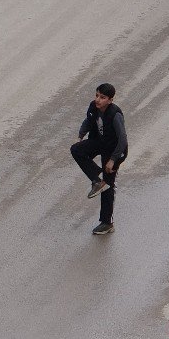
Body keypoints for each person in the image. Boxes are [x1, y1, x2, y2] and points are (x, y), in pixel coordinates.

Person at [70, 82, 128, 235]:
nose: (98, 100)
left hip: (115, 149)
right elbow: (88, 122)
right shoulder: (93, 107)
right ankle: (97, 180)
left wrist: (113, 160)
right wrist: (80, 136)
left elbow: (122, 140)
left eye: (102, 97)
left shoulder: (115, 114)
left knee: (108, 184)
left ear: (110, 100)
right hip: (100, 142)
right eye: (97, 95)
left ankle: (107, 223)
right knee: (76, 149)